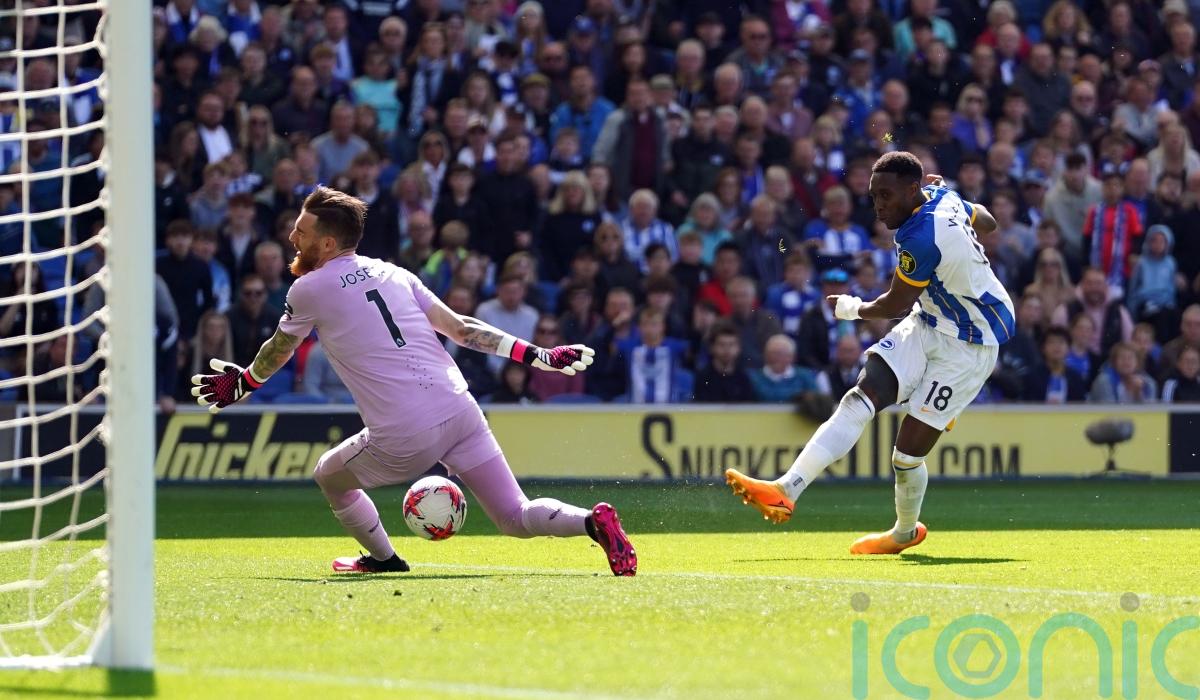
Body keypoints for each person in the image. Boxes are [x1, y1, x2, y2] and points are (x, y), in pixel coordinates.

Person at [191, 186, 636, 576]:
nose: (292, 238)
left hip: (405, 433)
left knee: (329, 475)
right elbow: (462, 329)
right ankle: (592, 522)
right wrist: (538, 354)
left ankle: (383, 558)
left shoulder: (307, 289)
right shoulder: (394, 273)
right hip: (460, 409)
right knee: (514, 516)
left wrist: (245, 382)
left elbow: (280, 348)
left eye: (301, 232)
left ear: (327, 243)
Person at [725, 152, 1014, 556]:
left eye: (886, 195)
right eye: (874, 196)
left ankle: (904, 533)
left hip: (970, 342)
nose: (878, 205)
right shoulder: (939, 196)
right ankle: (786, 490)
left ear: (911, 190)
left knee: (905, 456)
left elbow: (895, 303)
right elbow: (989, 221)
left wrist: (852, 308)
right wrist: (953, 200)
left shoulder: (920, 236)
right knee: (860, 396)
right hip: (930, 320)